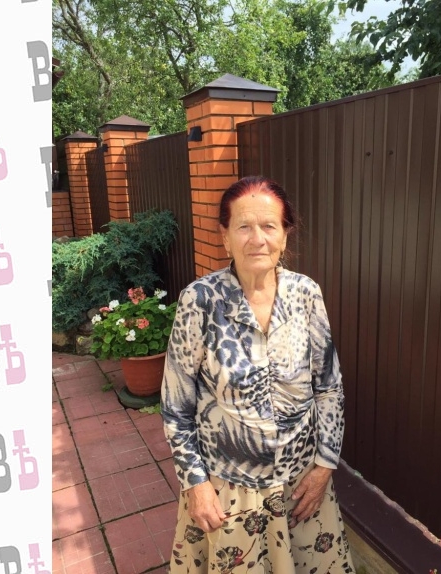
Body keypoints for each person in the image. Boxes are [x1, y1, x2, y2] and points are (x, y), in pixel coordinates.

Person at [161, 176, 354, 573]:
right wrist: (196, 484)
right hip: (230, 488)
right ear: (225, 237)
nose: (257, 239)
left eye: (269, 226)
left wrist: (324, 467)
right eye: (243, 227)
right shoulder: (200, 301)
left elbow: (329, 388)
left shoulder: (306, 293)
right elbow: (176, 407)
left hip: (301, 485)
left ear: (285, 234)